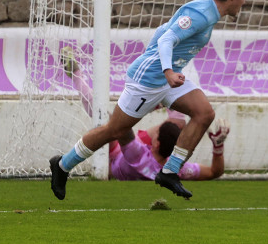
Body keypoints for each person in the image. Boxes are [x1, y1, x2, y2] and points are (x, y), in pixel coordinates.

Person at [50, 0, 247, 200]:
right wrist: (167, 71)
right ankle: (62, 165)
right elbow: (166, 39)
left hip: (168, 79)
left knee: (204, 113)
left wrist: (169, 71)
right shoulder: (201, 14)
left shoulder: (207, 13)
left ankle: (169, 172)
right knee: (114, 130)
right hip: (149, 80)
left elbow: (163, 30)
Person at [60, 46, 230, 182]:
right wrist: (218, 146)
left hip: (115, 156)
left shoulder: (138, 156)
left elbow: (124, 129)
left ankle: (76, 75)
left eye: (156, 134)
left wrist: (146, 106)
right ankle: (164, 94)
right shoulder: (180, 169)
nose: (154, 133)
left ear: (155, 143)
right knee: (178, 123)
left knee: (106, 118)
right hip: (156, 160)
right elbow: (214, 172)